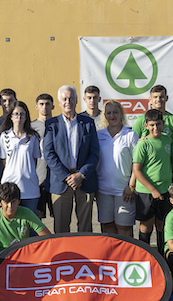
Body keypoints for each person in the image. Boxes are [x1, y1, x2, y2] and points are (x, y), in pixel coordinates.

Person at [43, 85, 100, 233]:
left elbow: (94, 152)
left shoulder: (88, 123)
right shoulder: (51, 124)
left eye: (71, 98)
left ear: (76, 100)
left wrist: (81, 175)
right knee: (61, 227)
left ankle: (84, 249)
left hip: (84, 180)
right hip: (61, 181)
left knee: (85, 227)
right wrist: (66, 176)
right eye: (64, 99)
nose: (68, 102)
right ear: (59, 102)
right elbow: (48, 153)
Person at [0, 182, 51, 289]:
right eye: (6, 202)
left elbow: (48, 238)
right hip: (2, 260)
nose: (10, 206)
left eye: (13, 202)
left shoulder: (27, 213)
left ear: (19, 201)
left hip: (23, 258)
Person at [128, 109, 173, 251]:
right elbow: (137, 170)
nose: (155, 127)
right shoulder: (143, 144)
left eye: (158, 124)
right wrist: (152, 190)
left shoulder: (167, 139)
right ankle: (144, 255)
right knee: (146, 225)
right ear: (146, 126)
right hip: (146, 192)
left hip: (165, 190)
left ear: (163, 123)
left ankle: (162, 256)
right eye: (152, 125)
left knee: (162, 224)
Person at [96, 100, 139, 237]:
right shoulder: (98, 135)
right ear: (105, 115)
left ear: (121, 114)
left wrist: (131, 186)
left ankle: (126, 253)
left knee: (124, 228)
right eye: (108, 113)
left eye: (115, 112)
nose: (112, 115)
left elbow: (137, 163)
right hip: (103, 190)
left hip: (124, 191)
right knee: (107, 227)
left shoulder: (130, 135)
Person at [0, 101, 43, 212]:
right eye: (16, 114)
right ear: (11, 117)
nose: (19, 117)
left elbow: (34, 160)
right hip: (9, 186)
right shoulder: (4, 136)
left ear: (26, 117)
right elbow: (4, 161)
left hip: (29, 188)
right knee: (11, 219)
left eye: (22, 114)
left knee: (30, 220)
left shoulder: (33, 137)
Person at [31, 93, 54, 218]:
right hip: (37, 180)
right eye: (41, 104)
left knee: (59, 218)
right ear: (36, 107)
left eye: (47, 104)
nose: (44, 107)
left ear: (53, 106)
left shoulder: (58, 124)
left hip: (55, 179)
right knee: (36, 218)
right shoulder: (31, 127)